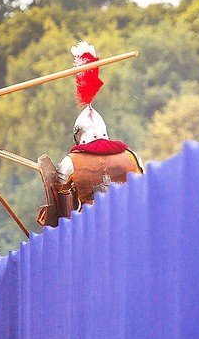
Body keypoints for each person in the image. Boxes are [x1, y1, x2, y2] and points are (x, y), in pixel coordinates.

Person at [38, 42, 144, 228]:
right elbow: (143, 192)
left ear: (78, 134)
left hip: (89, 230)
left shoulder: (70, 163)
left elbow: (63, 213)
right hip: (131, 224)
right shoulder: (131, 156)